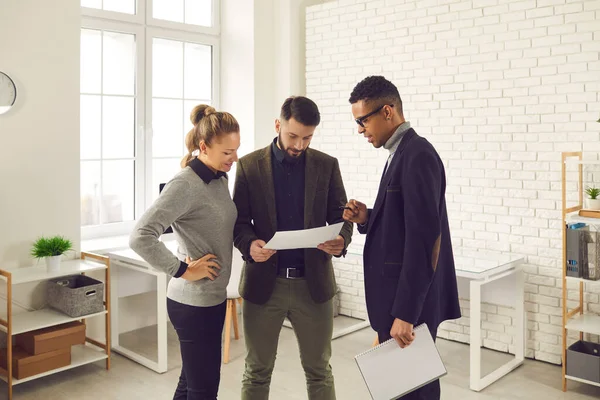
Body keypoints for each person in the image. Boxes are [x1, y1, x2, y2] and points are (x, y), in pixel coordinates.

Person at [342, 76, 461, 400]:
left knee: (415, 391)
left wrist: (406, 313)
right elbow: (403, 223)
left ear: (388, 112)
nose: (360, 129)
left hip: (410, 304)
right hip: (398, 300)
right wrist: (368, 217)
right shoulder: (400, 152)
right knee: (404, 388)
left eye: (362, 120)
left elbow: (425, 241)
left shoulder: (417, 155)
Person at [233, 96, 353, 400]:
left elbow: (342, 216)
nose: (299, 145)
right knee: (256, 371)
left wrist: (342, 241)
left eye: (308, 138)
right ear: (278, 125)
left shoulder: (327, 165)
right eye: (293, 136)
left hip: (313, 286)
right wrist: (250, 244)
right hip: (264, 284)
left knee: (319, 371)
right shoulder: (249, 166)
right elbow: (238, 223)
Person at [129, 104, 240, 400]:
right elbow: (141, 236)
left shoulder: (218, 177)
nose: (234, 158)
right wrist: (182, 269)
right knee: (204, 392)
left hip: (212, 298)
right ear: (203, 147)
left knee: (190, 384)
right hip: (193, 303)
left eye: (236, 150)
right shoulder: (185, 184)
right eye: (226, 153)